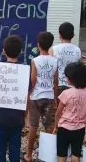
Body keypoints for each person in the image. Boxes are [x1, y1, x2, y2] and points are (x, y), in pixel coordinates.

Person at [0, 36, 30, 162]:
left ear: (4, 51)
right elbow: (26, 96)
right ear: (20, 52)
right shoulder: (25, 71)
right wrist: (25, 115)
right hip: (17, 118)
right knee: (15, 149)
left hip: (0, 117)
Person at [23, 32, 58, 162]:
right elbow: (55, 81)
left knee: (33, 126)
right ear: (50, 45)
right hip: (49, 96)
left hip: (36, 96)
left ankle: (29, 155)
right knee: (49, 125)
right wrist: (55, 97)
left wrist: (29, 93)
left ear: (38, 45)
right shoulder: (55, 61)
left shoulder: (35, 61)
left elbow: (33, 80)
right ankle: (49, 155)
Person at [53, 62, 86, 162]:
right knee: (76, 154)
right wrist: (84, 123)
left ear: (71, 79)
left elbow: (58, 113)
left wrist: (56, 126)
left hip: (63, 128)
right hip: (80, 129)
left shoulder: (66, 93)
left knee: (61, 154)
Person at [49, 22, 82, 96]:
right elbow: (80, 68)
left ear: (60, 35)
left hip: (57, 85)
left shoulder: (53, 49)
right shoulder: (77, 50)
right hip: (72, 86)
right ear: (72, 35)